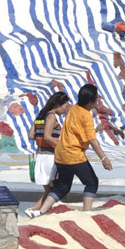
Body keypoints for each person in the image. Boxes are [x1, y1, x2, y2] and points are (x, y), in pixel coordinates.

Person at [29, 81, 113, 216]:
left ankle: (40, 212)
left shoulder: (73, 109)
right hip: (74, 155)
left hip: (60, 155)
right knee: (92, 182)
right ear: (91, 101)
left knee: (62, 187)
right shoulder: (86, 116)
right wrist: (103, 158)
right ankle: (87, 213)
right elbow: (92, 140)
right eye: (96, 98)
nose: (98, 100)